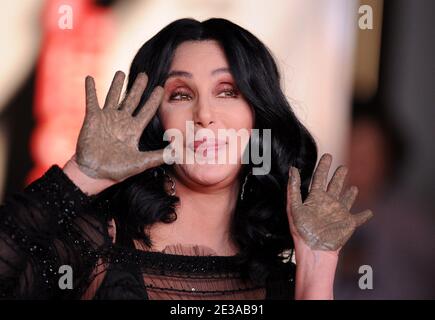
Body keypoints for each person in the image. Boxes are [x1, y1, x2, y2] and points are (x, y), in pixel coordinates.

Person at [0, 18, 372, 300]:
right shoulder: (97, 246)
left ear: (258, 116)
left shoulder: (282, 278)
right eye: (180, 94)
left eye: (227, 91)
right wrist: (81, 175)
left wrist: (317, 267)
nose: (205, 114)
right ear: (155, 120)